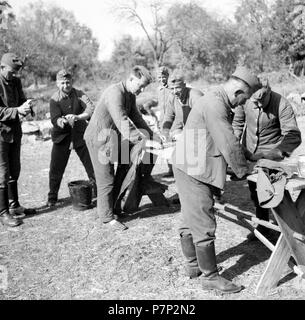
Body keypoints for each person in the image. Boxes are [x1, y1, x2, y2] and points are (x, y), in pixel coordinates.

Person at [172, 66, 261, 293]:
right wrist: (244, 171)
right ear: (239, 90)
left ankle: (193, 266)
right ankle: (210, 277)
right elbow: (228, 141)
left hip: (188, 163)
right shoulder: (215, 103)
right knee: (203, 221)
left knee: (190, 216)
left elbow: (223, 139)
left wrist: (248, 156)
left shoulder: (215, 98)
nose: (243, 104)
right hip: (194, 168)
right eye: (245, 99)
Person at [84, 65, 162, 231]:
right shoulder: (115, 93)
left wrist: (153, 135)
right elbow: (122, 121)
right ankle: (106, 217)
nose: (141, 90)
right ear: (131, 79)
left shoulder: (130, 95)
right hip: (98, 139)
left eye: (144, 87)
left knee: (124, 169)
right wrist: (144, 141)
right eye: (140, 86)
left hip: (112, 138)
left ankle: (114, 207)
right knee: (106, 179)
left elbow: (137, 118)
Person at [232, 79, 302, 241]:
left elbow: (293, 136)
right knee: (255, 193)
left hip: (272, 157)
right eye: (254, 100)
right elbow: (237, 124)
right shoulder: (246, 100)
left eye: (262, 99)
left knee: (276, 194)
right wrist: (234, 146)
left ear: (269, 91)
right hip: (249, 154)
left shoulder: (282, 104)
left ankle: (289, 231)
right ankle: (263, 226)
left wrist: (271, 155)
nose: (257, 104)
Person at [47, 69, 96, 207]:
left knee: (92, 165)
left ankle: (98, 192)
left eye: (68, 82)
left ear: (72, 82)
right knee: (56, 170)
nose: (66, 85)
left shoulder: (80, 94)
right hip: (62, 138)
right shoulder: (54, 99)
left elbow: (91, 109)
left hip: (80, 136)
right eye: (62, 83)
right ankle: (52, 197)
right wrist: (62, 121)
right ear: (57, 83)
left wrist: (78, 117)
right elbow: (55, 118)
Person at [0, 52, 36, 227]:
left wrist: (27, 105)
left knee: (15, 170)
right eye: (11, 72)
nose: (14, 75)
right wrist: (17, 111)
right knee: (2, 174)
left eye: (16, 72)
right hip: (0, 135)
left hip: (15, 132)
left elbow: (20, 100)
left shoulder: (15, 81)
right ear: (2, 67)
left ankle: (14, 206)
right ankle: (3, 212)